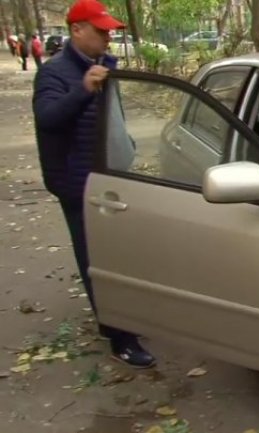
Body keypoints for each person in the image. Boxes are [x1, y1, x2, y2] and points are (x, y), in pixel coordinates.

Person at [32, 0, 155, 369]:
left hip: (110, 178)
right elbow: (47, 118)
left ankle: (123, 319)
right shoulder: (55, 74)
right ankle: (120, 337)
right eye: (100, 30)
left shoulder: (103, 67)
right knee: (98, 259)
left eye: (109, 31)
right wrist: (83, 90)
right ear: (77, 31)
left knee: (123, 254)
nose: (107, 36)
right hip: (78, 183)